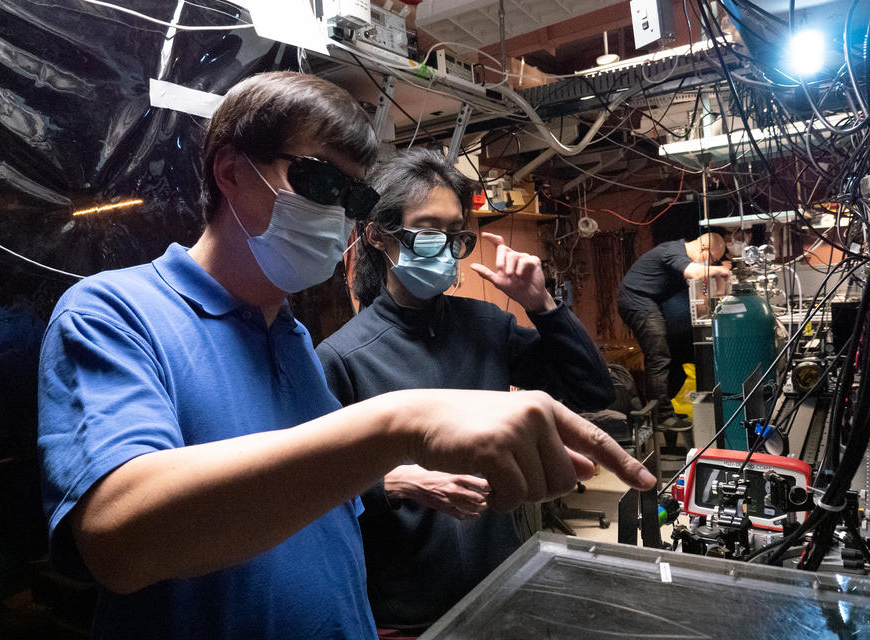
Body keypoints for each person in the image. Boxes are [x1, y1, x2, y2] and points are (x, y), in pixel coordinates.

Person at [37, 71, 655, 639]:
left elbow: (323, 521)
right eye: (319, 182)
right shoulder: (115, 313)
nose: (336, 215)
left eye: (352, 199)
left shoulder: (293, 342)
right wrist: (400, 426)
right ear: (230, 172)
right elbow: (119, 541)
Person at [315, 148, 615, 636]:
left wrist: (541, 303)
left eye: (455, 233)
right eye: (428, 228)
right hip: (404, 609)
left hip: (502, 582)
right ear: (377, 235)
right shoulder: (343, 357)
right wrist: (397, 483)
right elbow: (317, 487)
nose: (446, 244)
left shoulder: (486, 325)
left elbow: (590, 389)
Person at [617, 233, 731, 427]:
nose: (710, 263)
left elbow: (710, 299)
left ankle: (661, 410)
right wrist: (720, 269)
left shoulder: (683, 260)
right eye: (712, 258)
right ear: (704, 248)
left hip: (651, 302)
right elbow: (695, 273)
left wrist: (720, 278)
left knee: (674, 357)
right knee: (658, 357)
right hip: (637, 301)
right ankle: (661, 417)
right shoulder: (673, 251)